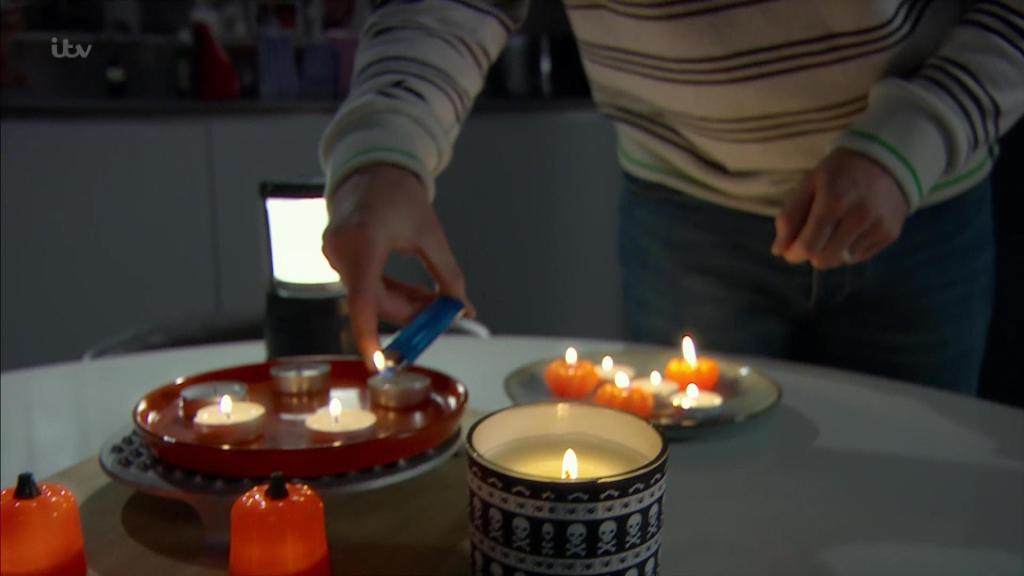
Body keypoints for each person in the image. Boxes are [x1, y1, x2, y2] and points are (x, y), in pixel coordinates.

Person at [319, 0, 1023, 394]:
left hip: (924, 208)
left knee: (909, 505)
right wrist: (384, 155)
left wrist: (915, 139)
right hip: (684, 211)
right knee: (703, 511)